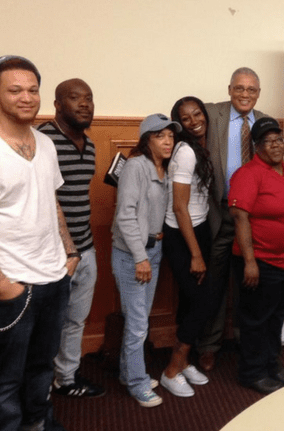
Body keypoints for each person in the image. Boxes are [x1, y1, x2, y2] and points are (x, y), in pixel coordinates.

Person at [0, 55, 80, 431]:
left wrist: (70, 251)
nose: (26, 97)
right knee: (6, 379)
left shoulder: (46, 144)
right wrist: (4, 283)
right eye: (15, 90)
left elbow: (52, 202)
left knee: (42, 367)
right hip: (14, 284)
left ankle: (37, 423)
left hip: (54, 277)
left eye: (32, 89)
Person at [229, 117, 284, 394]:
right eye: (268, 141)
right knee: (256, 318)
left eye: (280, 139)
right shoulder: (248, 174)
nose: (276, 145)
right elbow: (240, 218)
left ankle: (272, 364)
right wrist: (250, 262)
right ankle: (252, 372)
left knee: (278, 316)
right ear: (256, 146)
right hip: (262, 261)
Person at [38, 79, 105, 398]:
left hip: (86, 248)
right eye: (74, 98)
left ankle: (66, 378)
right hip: (51, 254)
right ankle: (38, 386)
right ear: (57, 105)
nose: (84, 104)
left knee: (76, 320)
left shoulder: (90, 145)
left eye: (89, 98)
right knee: (46, 324)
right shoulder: (41, 140)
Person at [198, 67, 269, 372]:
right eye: (239, 88)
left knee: (248, 281)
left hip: (251, 216)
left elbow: (272, 157)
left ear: (258, 93)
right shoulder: (212, 114)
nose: (244, 95)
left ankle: (245, 340)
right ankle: (209, 345)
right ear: (229, 90)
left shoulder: (264, 122)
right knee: (214, 283)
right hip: (218, 211)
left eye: (251, 90)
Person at [111, 113, 181, 407]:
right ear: (146, 140)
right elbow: (125, 214)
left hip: (154, 251)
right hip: (132, 255)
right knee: (139, 324)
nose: (167, 141)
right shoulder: (136, 167)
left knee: (138, 320)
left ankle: (129, 373)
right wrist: (140, 257)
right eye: (159, 136)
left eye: (170, 136)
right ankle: (138, 383)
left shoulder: (164, 169)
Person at [160, 97, 217, 397]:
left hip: (201, 228)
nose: (195, 120)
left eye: (198, 113)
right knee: (203, 301)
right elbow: (180, 207)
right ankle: (172, 368)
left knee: (190, 300)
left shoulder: (201, 146)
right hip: (183, 235)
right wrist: (195, 254)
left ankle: (182, 365)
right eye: (186, 117)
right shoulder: (184, 152)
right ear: (178, 123)